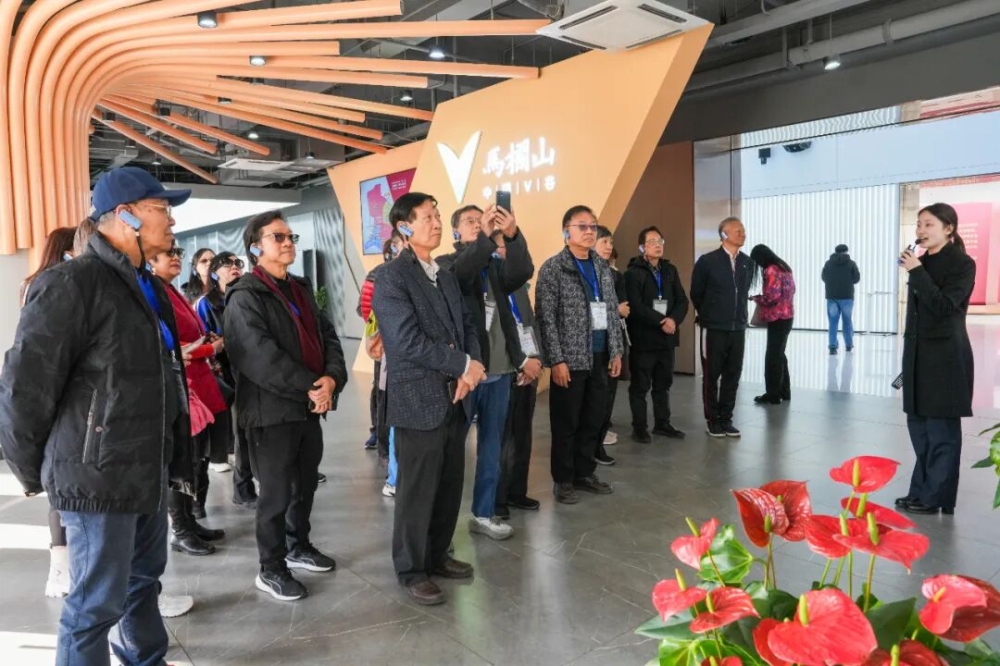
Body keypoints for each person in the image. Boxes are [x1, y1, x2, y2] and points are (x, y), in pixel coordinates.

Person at [0, 166, 194, 665]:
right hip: (97, 476)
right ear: (126, 216)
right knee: (94, 606)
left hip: (146, 467)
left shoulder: (148, 287)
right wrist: (32, 470)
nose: (171, 221)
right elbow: (25, 385)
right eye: (161, 209)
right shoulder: (72, 283)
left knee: (143, 584)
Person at [224, 210, 348, 602]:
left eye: (290, 236)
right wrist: (312, 386)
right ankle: (271, 567)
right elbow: (260, 357)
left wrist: (331, 379)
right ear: (255, 248)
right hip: (270, 411)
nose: (288, 242)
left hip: (306, 407)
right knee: (276, 493)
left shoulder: (299, 288)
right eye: (277, 237)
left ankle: (298, 546)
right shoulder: (245, 296)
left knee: (305, 484)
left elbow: (328, 336)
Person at [372, 192, 485, 606]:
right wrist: (462, 364)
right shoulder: (391, 277)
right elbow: (406, 342)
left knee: (449, 484)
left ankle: (437, 554)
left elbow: (468, 324)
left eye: (437, 216)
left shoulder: (445, 274)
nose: (436, 223)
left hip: (455, 396)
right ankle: (411, 568)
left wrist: (470, 367)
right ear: (403, 227)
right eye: (427, 217)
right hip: (418, 399)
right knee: (417, 490)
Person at [437, 202, 536, 540]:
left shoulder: (495, 264)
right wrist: (487, 239)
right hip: (467, 373)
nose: (479, 224)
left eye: (482, 220)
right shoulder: (446, 265)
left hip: (501, 370)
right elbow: (463, 274)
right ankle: (442, 528)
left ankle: (483, 513)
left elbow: (522, 272)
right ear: (455, 231)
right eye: (470, 221)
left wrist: (512, 234)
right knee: (452, 451)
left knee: (492, 447)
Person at [535, 205, 623, 505]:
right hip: (570, 359)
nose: (589, 231)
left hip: (600, 355)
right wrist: (556, 360)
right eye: (581, 226)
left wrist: (615, 350)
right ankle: (563, 479)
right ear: (566, 232)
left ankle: (584, 472)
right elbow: (546, 318)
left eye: (593, 226)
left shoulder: (601, 267)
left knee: (593, 419)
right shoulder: (554, 268)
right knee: (566, 423)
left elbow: (610, 312)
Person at [896, 203, 976, 516]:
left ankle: (936, 496)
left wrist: (916, 271)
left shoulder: (962, 264)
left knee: (941, 430)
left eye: (929, 224)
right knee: (919, 427)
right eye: (919, 225)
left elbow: (944, 307)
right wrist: (917, 269)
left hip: (945, 358)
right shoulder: (922, 262)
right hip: (917, 355)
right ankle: (921, 490)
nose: (921, 230)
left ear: (948, 228)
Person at [150, 246, 228, 555]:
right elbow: (170, 345)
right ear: (151, 261)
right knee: (183, 461)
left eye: (177, 251)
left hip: (197, 381)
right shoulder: (155, 293)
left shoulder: (171, 290)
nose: (175, 257)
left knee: (197, 460)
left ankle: (190, 522)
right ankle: (180, 530)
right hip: (185, 385)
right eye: (167, 253)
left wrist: (206, 341)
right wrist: (210, 349)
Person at [18, 226, 77, 598]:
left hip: (52, 396)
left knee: (59, 487)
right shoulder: (52, 285)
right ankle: (59, 567)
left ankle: (61, 567)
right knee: (59, 488)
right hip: (58, 398)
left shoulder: (35, 283)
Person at [196, 251, 258, 509]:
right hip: (224, 374)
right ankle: (242, 489)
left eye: (237, 263)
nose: (234, 266)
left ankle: (252, 483)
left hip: (251, 370)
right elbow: (203, 340)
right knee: (241, 432)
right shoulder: (206, 303)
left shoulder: (246, 295)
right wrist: (220, 343)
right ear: (214, 272)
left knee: (250, 430)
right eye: (227, 263)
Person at [492, 230, 543, 518]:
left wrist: (537, 361)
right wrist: (520, 362)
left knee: (522, 434)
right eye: (503, 247)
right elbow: (499, 333)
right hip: (507, 368)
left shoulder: (520, 287)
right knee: (501, 438)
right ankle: (498, 499)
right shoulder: (491, 284)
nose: (508, 253)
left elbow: (530, 325)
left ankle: (517, 492)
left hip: (530, 368)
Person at [624, 225, 689, 443]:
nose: (658, 245)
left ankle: (662, 423)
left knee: (663, 384)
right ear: (642, 247)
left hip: (666, 338)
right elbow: (635, 306)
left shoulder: (669, 270)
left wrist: (673, 320)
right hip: (644, 339)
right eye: (652, 242)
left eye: (660, 241)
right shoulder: (633, 273)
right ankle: (639, 427)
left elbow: (682, 300)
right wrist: (662, 320)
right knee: (640, 386)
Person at [690, 216, 753, 438]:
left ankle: (726, 418)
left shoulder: (747, 262)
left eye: (743, 230)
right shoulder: (708, 261)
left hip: (738, 328)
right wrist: (710, 314)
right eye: (738, 231)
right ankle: (713, 420)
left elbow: (744, 292)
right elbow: (696, 293)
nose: (743, 234)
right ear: (724, 234)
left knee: (732, 374)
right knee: (711, 374)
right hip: (714, 328)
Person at [593, 228, 629, 466]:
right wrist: (613, 309)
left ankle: (598, 445)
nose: (609, 246)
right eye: (604, 241)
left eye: (611, 242)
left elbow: (624, 309)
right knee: (591, 404)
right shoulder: (581, 273)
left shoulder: (614, 276)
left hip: (611, 343)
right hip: (587, 348)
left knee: (607, 399)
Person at [749, 244, 796, 405]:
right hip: (788, 316)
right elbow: (792, 290)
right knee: (779, 354)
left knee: (772, 357)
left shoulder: (771, 270)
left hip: (777, 318)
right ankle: (785, 391)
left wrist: (756, 298)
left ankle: (773, 395)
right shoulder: (785, 268)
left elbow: (771, 298)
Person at [822, 244, 861, 355]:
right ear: (846, 251)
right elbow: (856, 279)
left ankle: (832, 347)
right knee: (847, 321)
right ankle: (848, 345)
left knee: (833, 322)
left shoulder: (828, 263)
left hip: (832, 296)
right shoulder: (851, 264)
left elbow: (824, 277)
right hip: (847, 297)